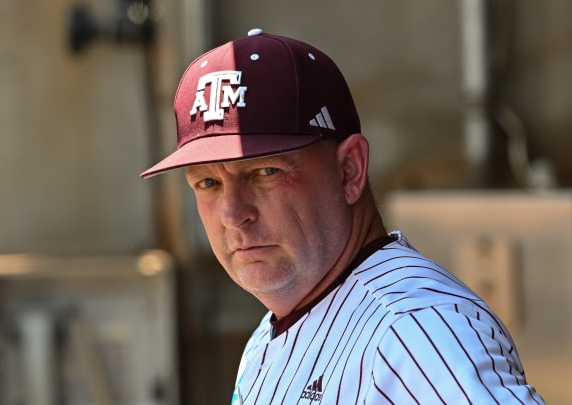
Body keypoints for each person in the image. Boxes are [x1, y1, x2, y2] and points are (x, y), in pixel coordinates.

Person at [141, 28, 544, 405]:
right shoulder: (271, 335)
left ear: (350, 169)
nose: (233, 214)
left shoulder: (412, 329)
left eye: (265, 173)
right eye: (208, 183)